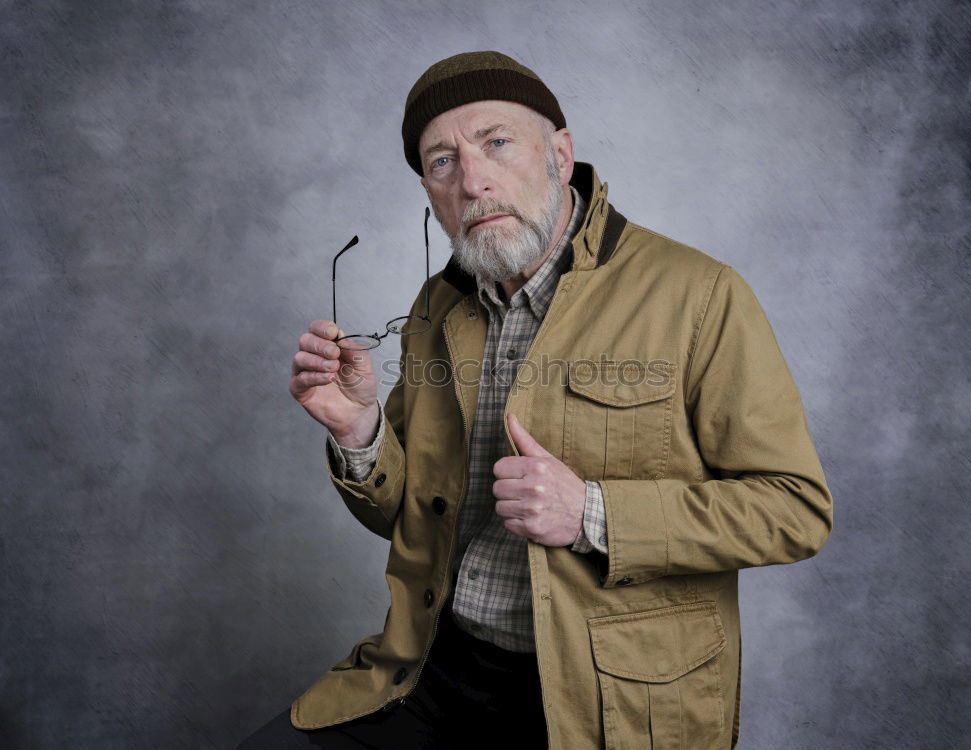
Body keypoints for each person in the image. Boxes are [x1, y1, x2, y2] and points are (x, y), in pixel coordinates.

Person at [240, 51, 832, 749]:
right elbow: (403, 516)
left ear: (560, 152)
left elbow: (796, 509)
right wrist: (361, 429)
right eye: (441, 163)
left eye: (496, 142)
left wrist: (591, 513)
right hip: (438, 667)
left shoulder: (700, 295)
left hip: (604, 700)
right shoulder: (439, 305)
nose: (474, 180)